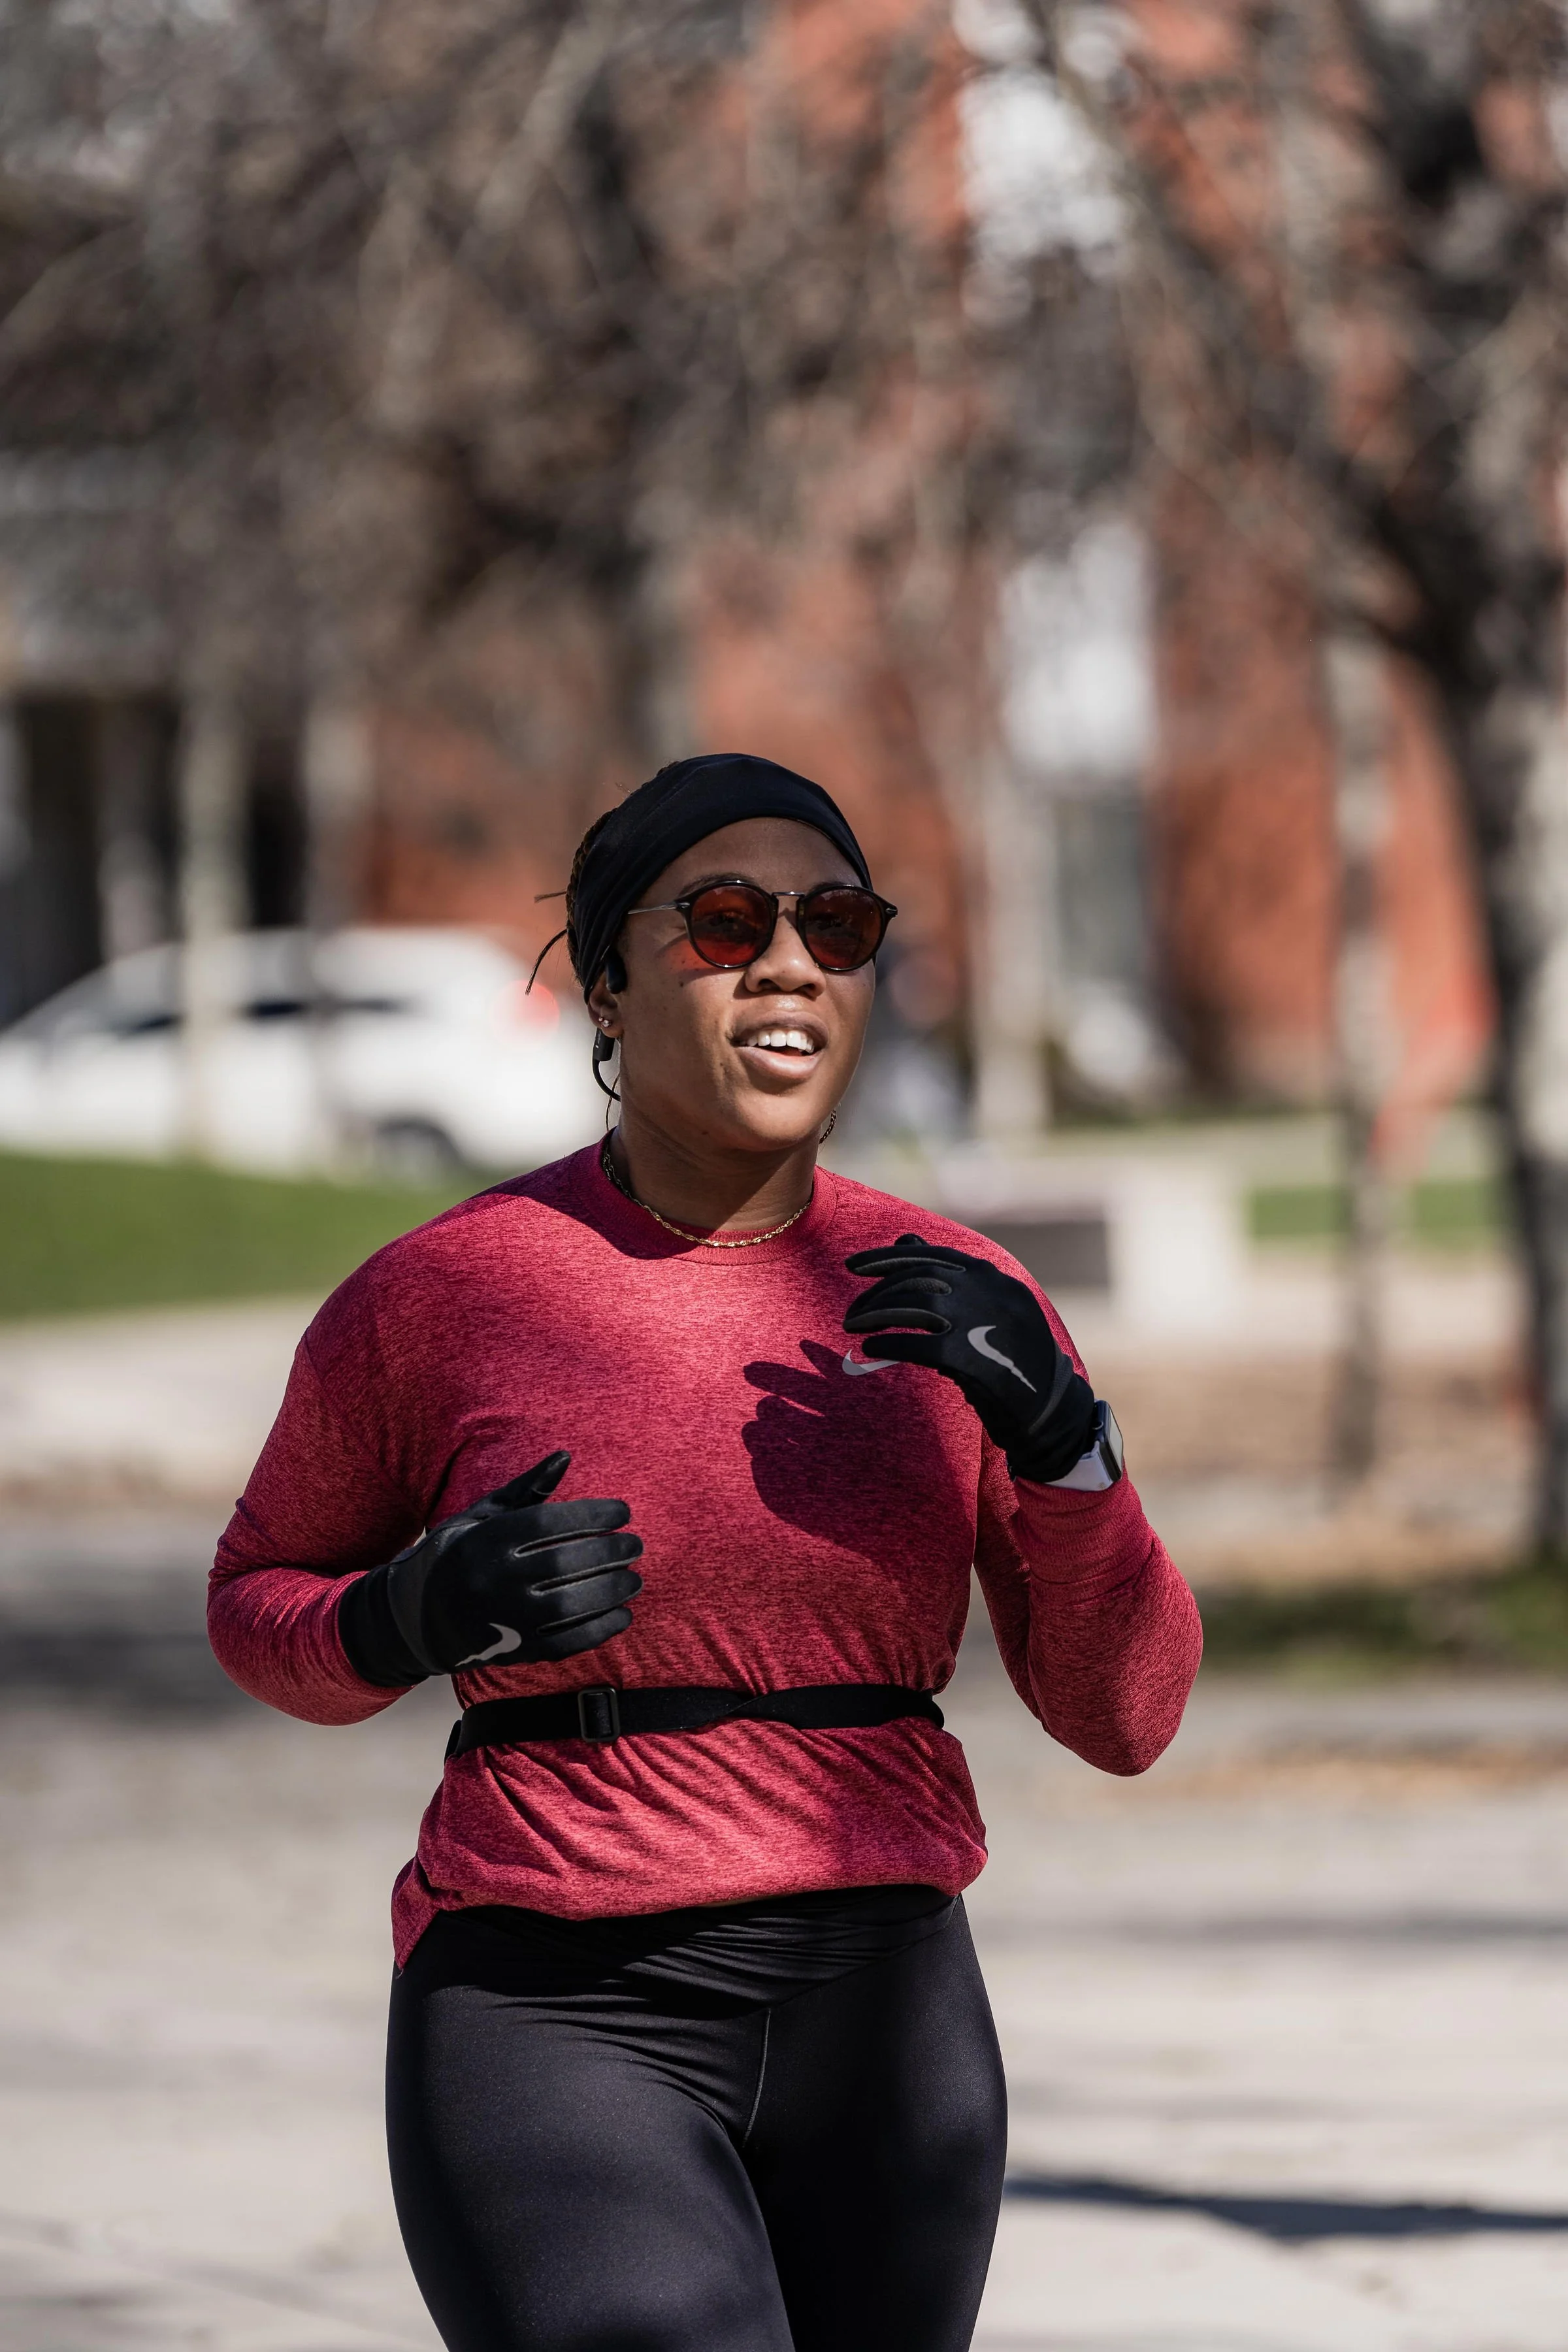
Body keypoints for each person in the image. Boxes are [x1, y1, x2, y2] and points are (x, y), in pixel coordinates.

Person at [209, 751, 1202, 2352]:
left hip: (892, 2017)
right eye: (726, 921)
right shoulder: (442, 1296)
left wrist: (1067, 1444)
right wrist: (400, 1617)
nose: (792, 959)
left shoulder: (960, 1295)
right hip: (555, 2010)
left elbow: (1128, 1713)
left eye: (840, 924)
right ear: (606, 984)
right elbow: (255, 1601)